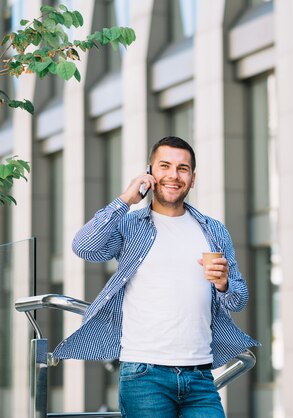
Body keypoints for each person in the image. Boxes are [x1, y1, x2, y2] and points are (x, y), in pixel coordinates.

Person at [52, 136, 258, 417]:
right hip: (144, 375)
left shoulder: (213, 230)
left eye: (183, 168)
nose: (174, 175)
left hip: (200, 376)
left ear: (193, 178)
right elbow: (84, 246)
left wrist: (223, 284)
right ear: (149, 173)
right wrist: (126, 199)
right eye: (164, 166)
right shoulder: (130, 225)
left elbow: (239, 299)